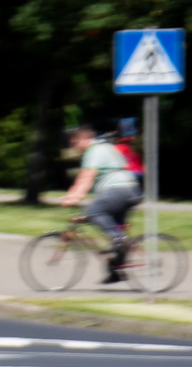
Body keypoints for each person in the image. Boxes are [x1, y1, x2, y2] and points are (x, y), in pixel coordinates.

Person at [59, 118, 143, 282]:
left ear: (84, 139)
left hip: (119, 190)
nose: (73, 146)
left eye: (75, 142)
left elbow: (87, 177)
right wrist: (72, 194)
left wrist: (74, 197)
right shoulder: (106, 147)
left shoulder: (94, 151)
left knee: (94, 211)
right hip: (131, 190)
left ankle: (119, 241)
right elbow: (123, 166)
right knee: (117, 228)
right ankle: (116, 272)